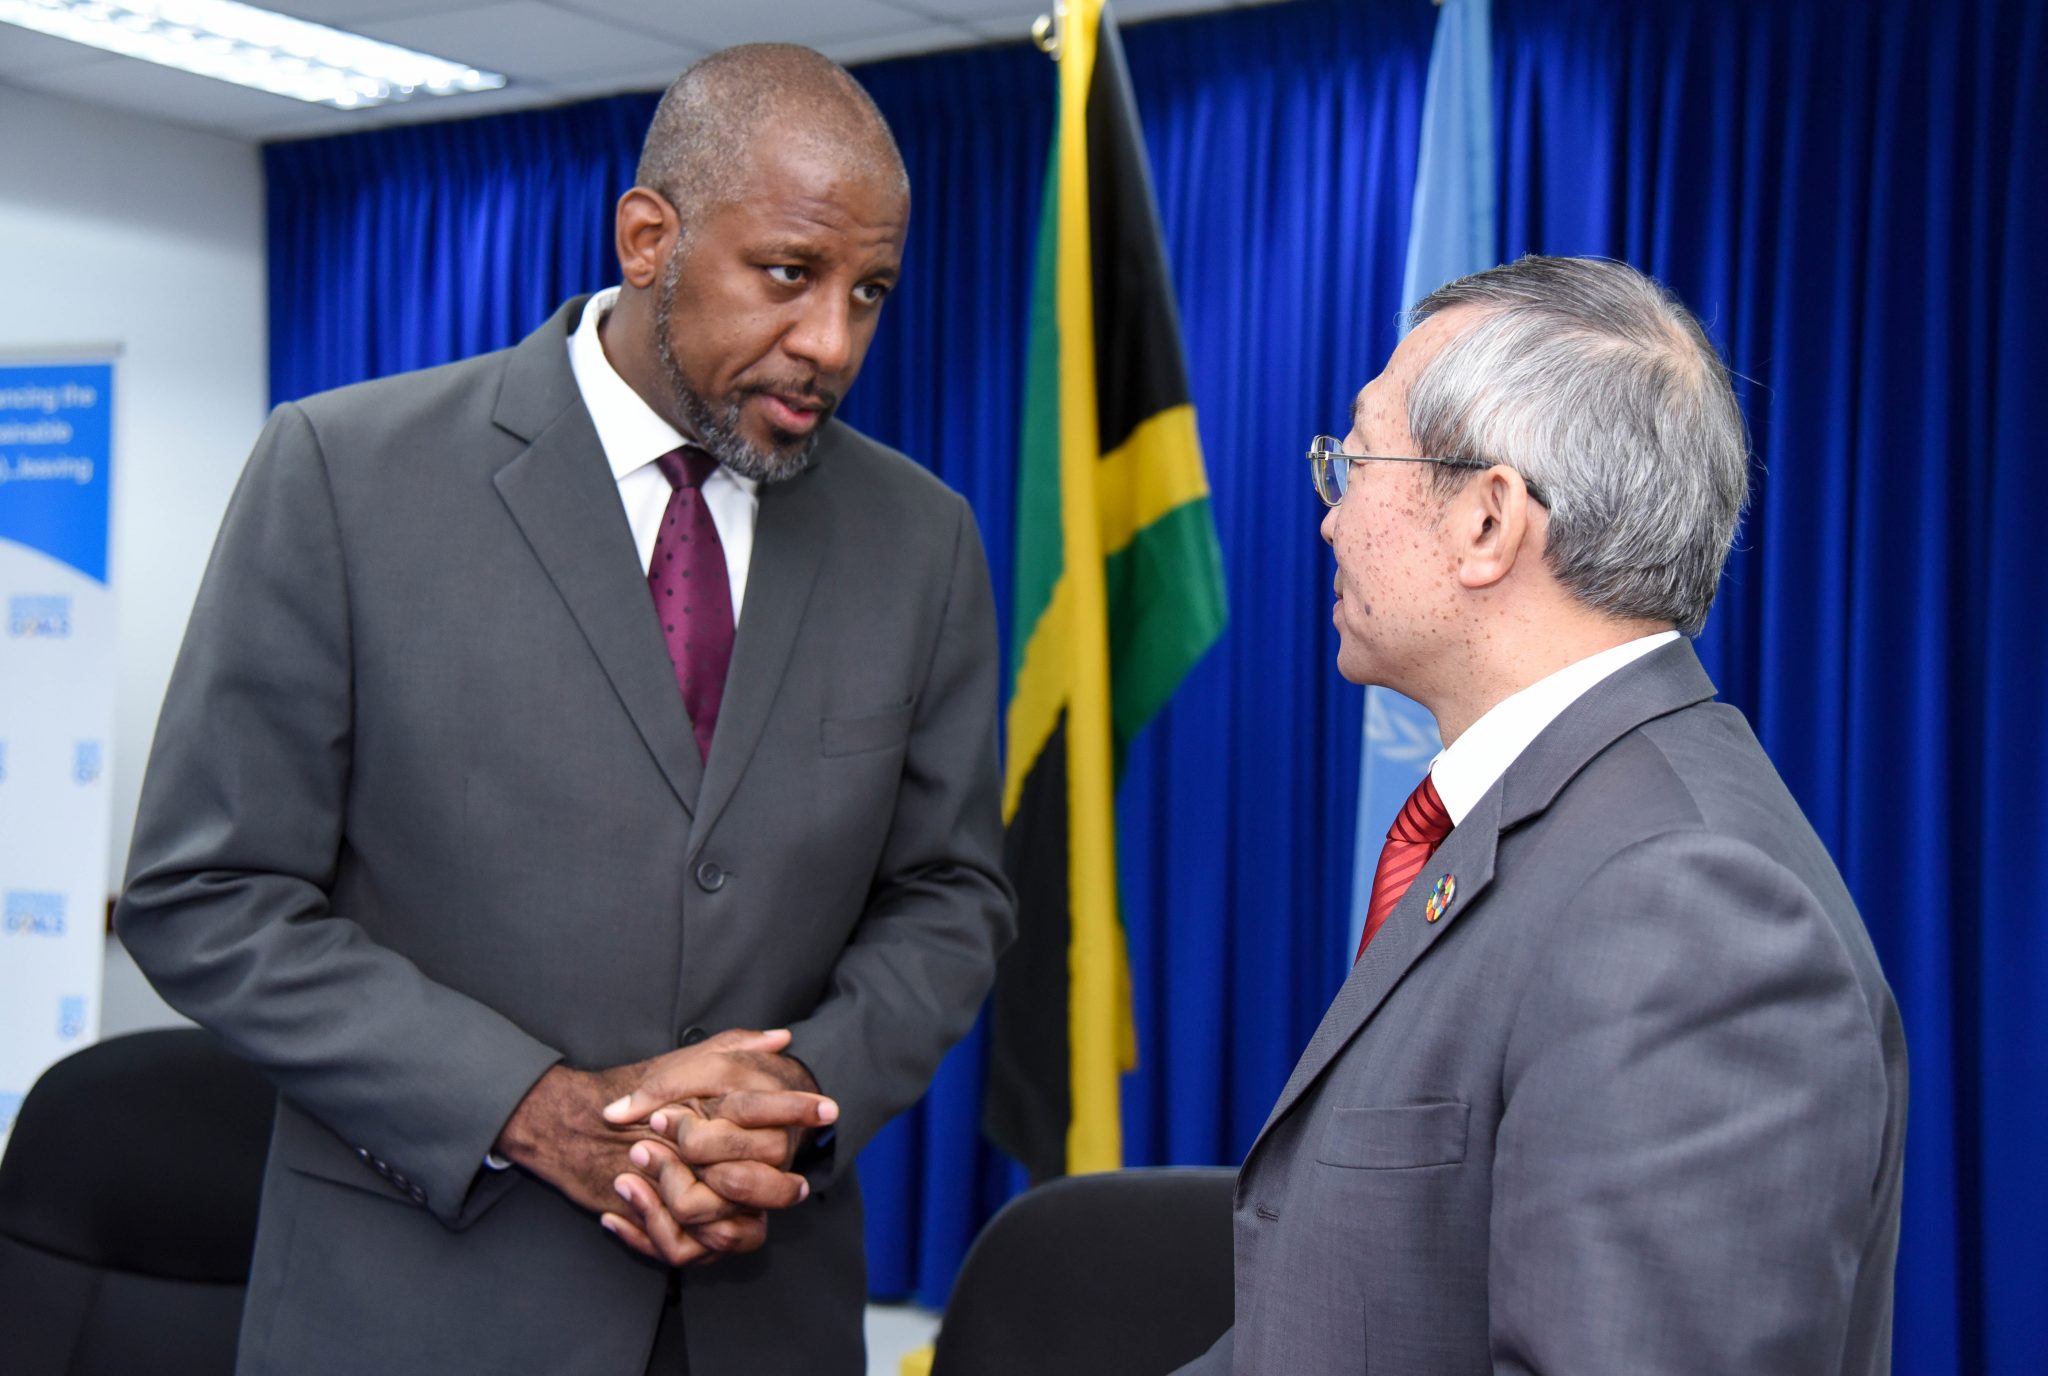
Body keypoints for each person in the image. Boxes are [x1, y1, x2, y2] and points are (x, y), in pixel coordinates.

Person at [114, 44, 1013, 1376]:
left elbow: (949, 895)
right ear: (649, 238)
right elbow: (207, 893)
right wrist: (534, 1110)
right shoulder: (345, 477)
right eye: (789, 274)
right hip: (416, 1311)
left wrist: (793, 1101)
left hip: (760, 1316)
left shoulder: (921, 540)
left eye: (869, 292)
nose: (831, 342)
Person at [1177, 256, 1905, 1374]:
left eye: (1355, 460)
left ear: (1485, 519)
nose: (1329, 517)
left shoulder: (1687, 904)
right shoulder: (1541, 827)